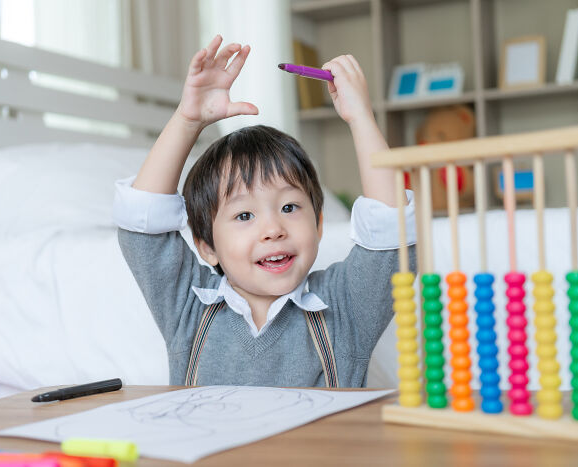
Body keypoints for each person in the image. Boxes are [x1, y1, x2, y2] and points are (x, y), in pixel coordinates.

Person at [113, 35, 415, 387]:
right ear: (206, 245)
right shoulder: (189, 307)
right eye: (244, 216)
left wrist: (361, 117)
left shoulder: (345, 305)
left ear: (319, 225)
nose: (273, 229)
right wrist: (187, 121)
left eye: (289, 207)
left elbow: (392, 233)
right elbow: (142, 221)